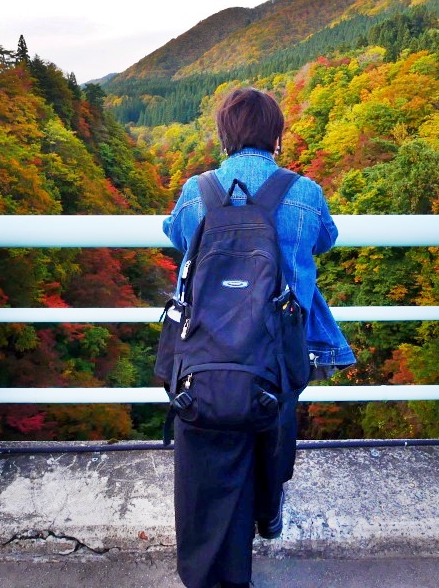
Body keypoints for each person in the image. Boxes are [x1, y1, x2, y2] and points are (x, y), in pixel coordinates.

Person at [162, 87, 354, 588]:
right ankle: (267, 512)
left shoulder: (196, 190)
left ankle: (211, 566)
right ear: (277, 136)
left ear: (224, 135)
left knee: (207, 440)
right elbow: (326, 239)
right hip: (282, 347)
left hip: (206, 348)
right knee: (272, 424)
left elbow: (177, 237)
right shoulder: (305, 192)